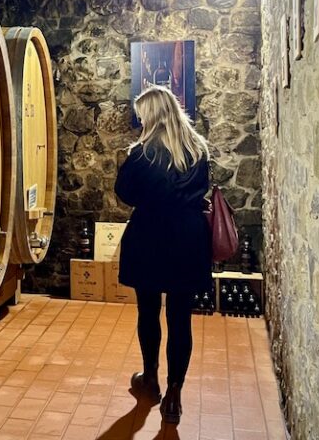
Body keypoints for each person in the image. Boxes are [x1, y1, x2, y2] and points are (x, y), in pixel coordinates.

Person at [114, 85, 211, 424]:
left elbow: (124, 192)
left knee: (148, 311)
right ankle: (174, 394)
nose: (139, 120)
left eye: (142, 115)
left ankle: (151, 379)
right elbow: (202, 190)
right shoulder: (197, 148)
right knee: (181, 318)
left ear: (151, 115)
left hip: (150, 237)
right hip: (187, 237)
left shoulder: (143, 152)